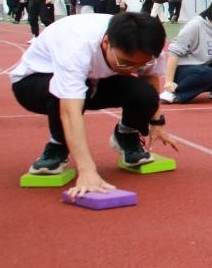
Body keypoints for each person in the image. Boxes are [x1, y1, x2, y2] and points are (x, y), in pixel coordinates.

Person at [12, 12, 173, 198]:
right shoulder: (76, 46)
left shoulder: (147, 45)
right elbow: (69, 110)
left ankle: (125, 135)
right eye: (126, 63)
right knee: (78, 89)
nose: (133, 69)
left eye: (140, 64)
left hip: (94, 81)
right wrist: (87, 171)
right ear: (106, 42)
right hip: (34, 83)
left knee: (144, 92)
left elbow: (149, 80)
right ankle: (57, 146)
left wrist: (156, 123)